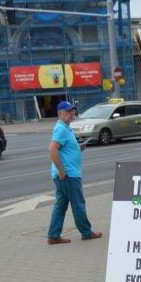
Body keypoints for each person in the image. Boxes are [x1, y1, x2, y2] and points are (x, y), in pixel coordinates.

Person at [46, 100, 102, 245]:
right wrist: (62, 170)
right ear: (60, 113)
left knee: (61, 204)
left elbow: (64, 148)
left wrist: (78, 147)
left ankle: (53, 235)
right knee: (78, 204)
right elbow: (52, 149)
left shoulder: (65, 128)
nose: (72, 114)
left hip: (65, 175)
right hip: (69, 175)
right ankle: (86, 232)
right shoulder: (62, 129)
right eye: (68, 111)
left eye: (73, 111)